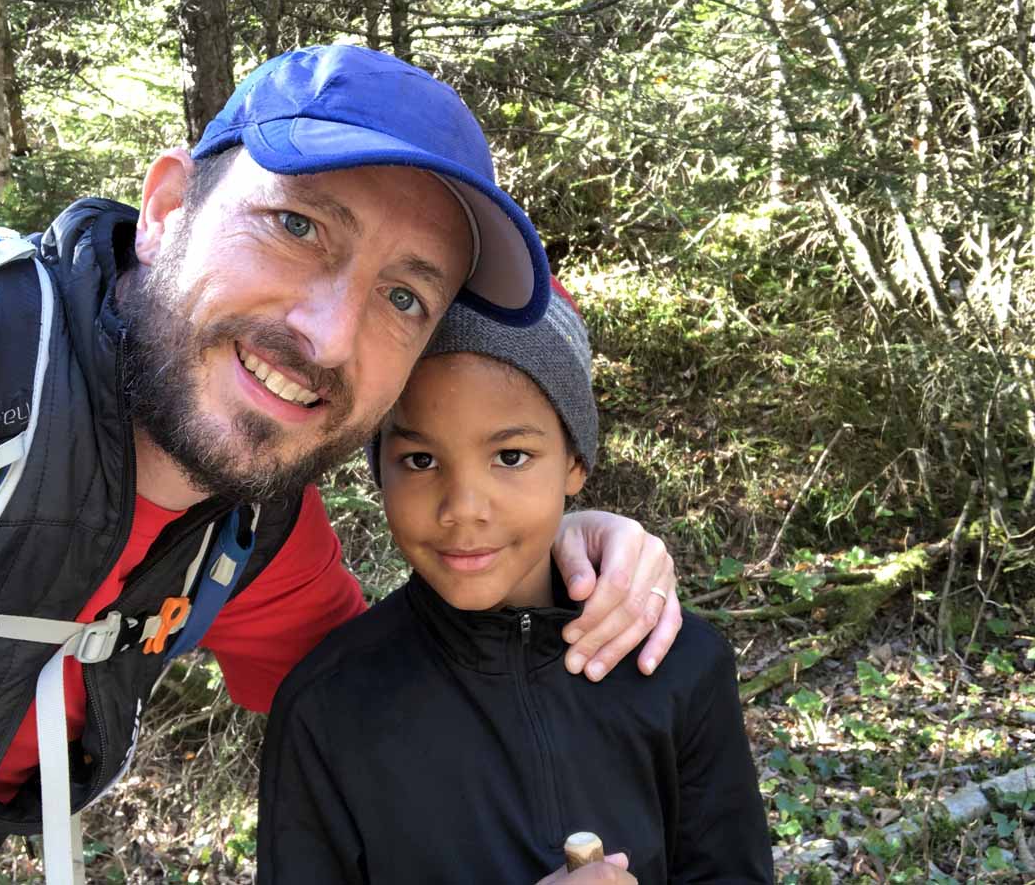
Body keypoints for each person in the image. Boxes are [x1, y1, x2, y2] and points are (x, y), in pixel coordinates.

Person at [0, 45, 681, 884]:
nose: (330, 337)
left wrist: (559, 550)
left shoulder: (258, 540)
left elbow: (399, 701)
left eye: (403, 298)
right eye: (296, 226)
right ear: (167, 208)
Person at [258, 282, 773, 885]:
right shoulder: (328, 708)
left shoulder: (678, 665)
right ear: (379, 470)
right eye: (421, 461)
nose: (463, 508)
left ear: (574, 461)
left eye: (510, 457)